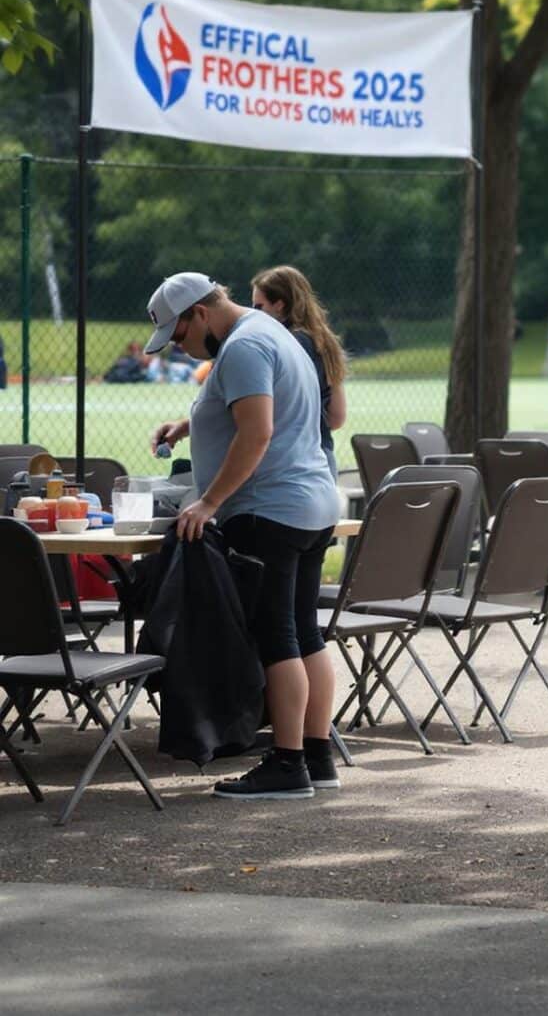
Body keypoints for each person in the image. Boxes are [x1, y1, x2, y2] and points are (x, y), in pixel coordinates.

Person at [144, 273, 347, 800]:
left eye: (179, 335)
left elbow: (257, 431)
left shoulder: (244, 347)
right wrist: (188, 426)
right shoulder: (268, 330)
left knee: (276, 635)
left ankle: (287, 763)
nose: (181, 349)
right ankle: (317, 755)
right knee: (305, 632)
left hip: (270, 508)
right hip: (312, 502)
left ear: (201, 313)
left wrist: (209, 501)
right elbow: (254, 409)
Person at [251, 265, 351, 465]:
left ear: (279, 305)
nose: (254, 314)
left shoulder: (287, 344)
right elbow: (336, 418)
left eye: (259, 307)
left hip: (293, 460)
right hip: (322, 457)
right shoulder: (325, 342)